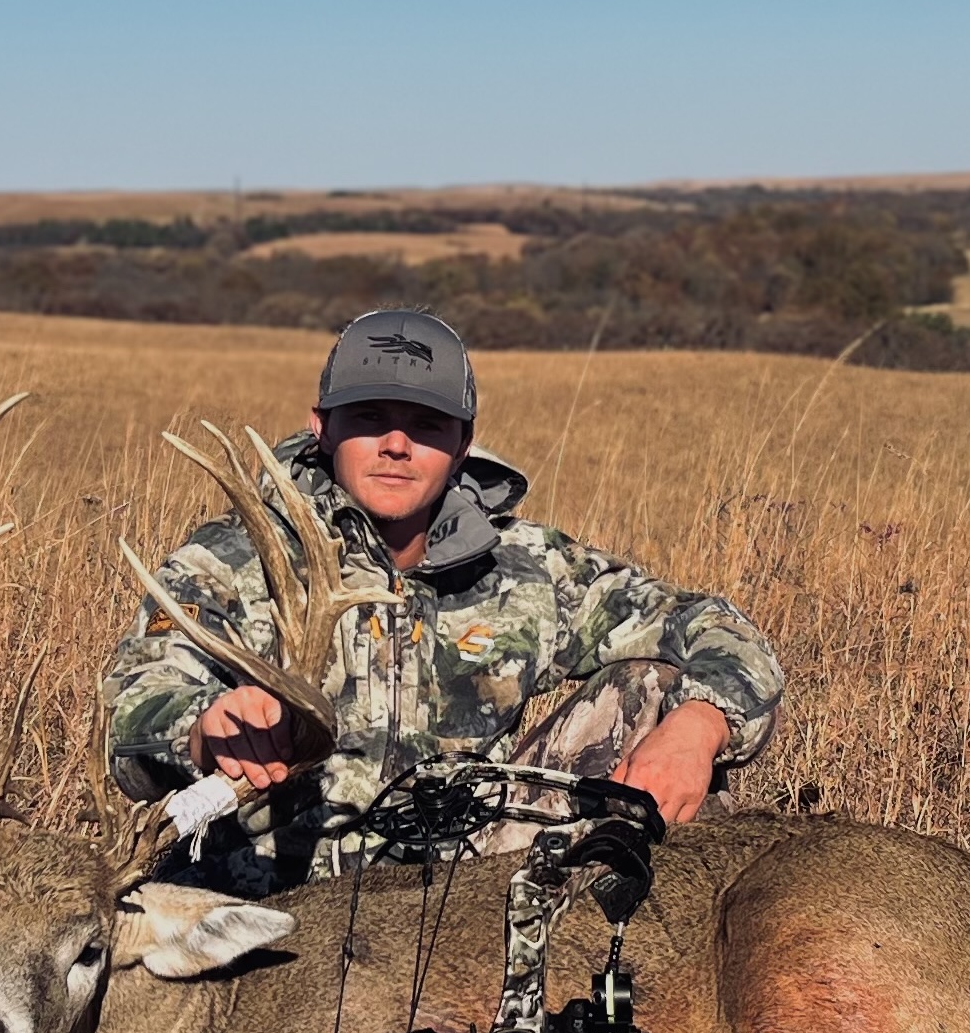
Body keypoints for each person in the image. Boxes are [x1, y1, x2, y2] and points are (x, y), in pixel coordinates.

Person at [103, 308, 783, 894]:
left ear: (461, 443)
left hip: (458, 897)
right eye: (370, 418)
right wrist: (203, 727)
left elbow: (719, 630)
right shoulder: (230, 561)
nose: (397, 446)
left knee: (652, 684)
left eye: (426, 425)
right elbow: (136, 707)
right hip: (266, 900)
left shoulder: (528, 570)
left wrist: (699, 726)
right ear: (322, 427)